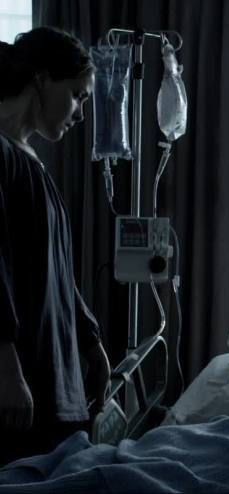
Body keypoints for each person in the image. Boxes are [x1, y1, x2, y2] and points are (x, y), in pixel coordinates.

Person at [0, 26, 110, 466]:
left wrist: (90, 340)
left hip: (52, 374)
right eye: (78, 96)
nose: (80, 114)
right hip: (18, 378)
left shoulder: (31, 162)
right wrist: (6, 368)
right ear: (42, 79)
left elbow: (55, 270)